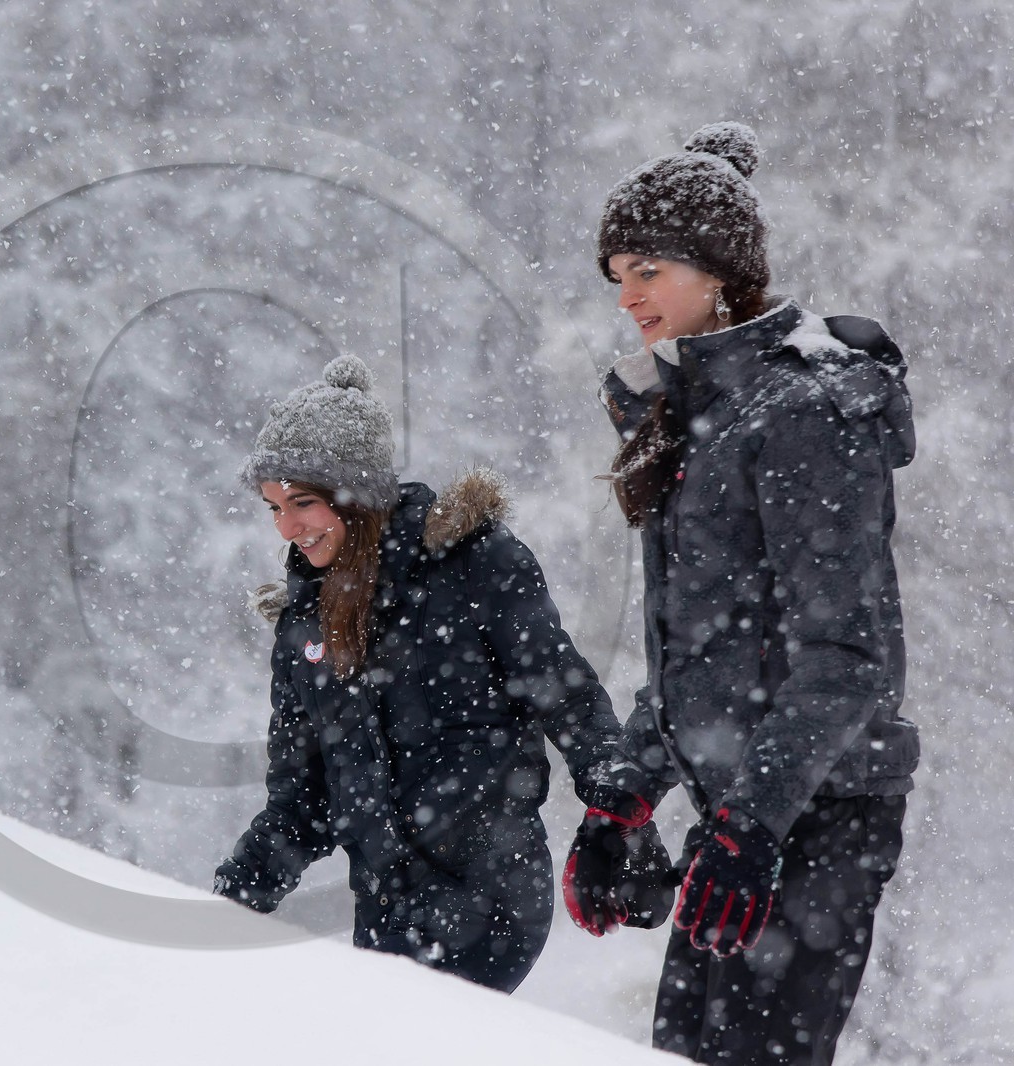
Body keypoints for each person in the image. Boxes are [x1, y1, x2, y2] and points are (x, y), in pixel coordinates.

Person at [561, 122, 920, 1065]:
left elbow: (847, 661)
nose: (628, 295)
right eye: (617, 275)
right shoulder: (696, 416)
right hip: (743, 813)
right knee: (680, 1050)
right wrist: (625, 797)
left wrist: (753, 822)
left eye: (648, 268)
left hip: (823, 808)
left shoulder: (803, 412)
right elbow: (704, 653)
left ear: (719, 271)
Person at [212, 353, 664, 992]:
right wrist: (236, 896)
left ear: (356, 493)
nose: (287, 527)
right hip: (387, 915)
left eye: (303, 501)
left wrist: (623, 820)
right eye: (272, 507)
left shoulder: (472, 565)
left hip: (493, 901)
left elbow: (566, 696)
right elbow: (304, 794)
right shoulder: (304, 626)